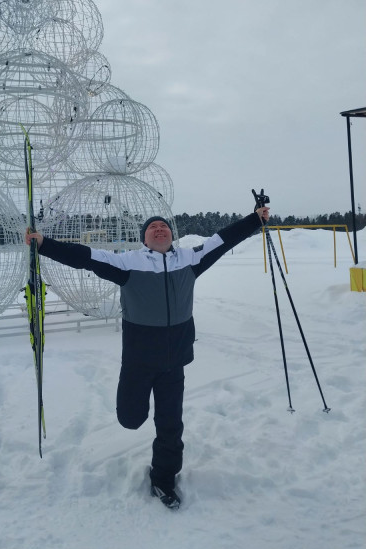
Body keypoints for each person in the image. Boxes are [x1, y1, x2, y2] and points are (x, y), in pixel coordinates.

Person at [26, 205, 270, 509]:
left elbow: (223, 240)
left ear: (171, 234)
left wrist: (255, 220)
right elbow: (85, 257)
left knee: (171, 425)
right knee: (130, 419)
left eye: (163, 226)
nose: (159, 229)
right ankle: (135, 421)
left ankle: (163, 478)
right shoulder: (128, 263)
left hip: (175, 361)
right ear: (145, 239)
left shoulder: (190, 259)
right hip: (139, 361)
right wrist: (44, 245)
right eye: (152, 227)